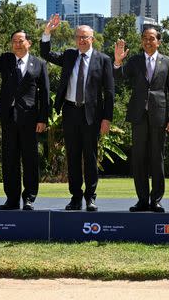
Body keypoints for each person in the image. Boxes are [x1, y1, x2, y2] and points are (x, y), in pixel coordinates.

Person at [41, 15, 114, 212]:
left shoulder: (103, 60)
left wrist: (107, 118)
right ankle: (75, 197)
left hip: (92, 115)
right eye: (79, 37)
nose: (82, 40)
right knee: (72, 157)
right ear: (76, 39)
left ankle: (90, 197)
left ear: (93, 39)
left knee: (90, 157)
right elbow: (46, 53)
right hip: (70, 112)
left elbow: (109, 92)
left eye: (86, 37)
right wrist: (47, 32)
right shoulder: (69, 55)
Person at [0, 15, 50, 211]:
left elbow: (44, 93)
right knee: (10, 160)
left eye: (21, 41)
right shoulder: (6, 60)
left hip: (30, 119)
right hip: (8, 117)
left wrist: (43, 118)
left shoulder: (39, 64)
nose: (17, 44)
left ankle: (29, 198)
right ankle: (11, 199)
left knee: (30, 159)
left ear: (28, 43)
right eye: (14, 42)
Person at [113, 26, 169, 213]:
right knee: (139, 159)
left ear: (158, 41)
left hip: (159, 116)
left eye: (151, 38)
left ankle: (156, 199)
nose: (147, 42)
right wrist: (117, 62)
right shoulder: (134, 61)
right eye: (144, 38)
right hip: (138, 116)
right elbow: (118, 76)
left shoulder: (168, 62)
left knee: (157, 158)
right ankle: (142, 199)